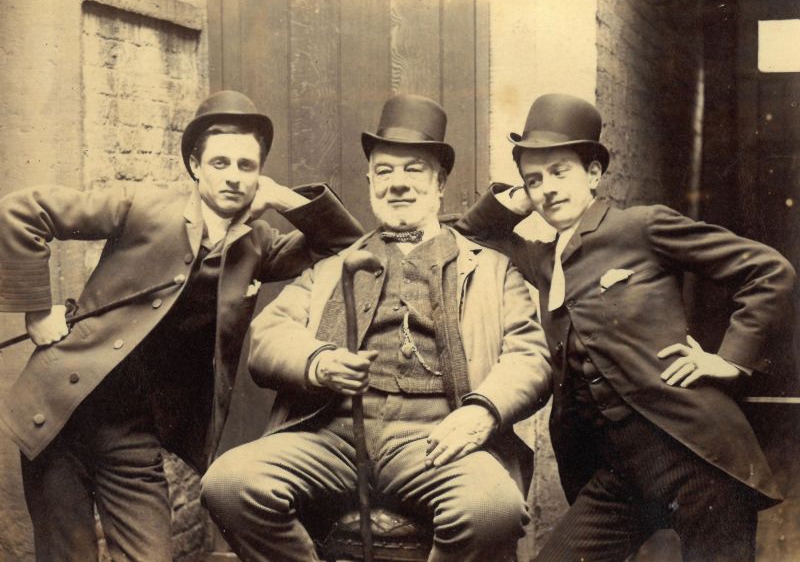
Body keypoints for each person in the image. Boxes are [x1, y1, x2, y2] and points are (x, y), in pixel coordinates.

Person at [0, 90, 364, 562]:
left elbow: (349, 246)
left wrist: (284, 200)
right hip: (60, 414)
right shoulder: (144, 205)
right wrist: (37, 309)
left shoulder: (258, 244)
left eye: (246, 166)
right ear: (195, 165)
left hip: (132, 437)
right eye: (220, 163)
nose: (233, 177)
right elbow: (23, 211)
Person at [200, 94, 553, 562]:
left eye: (413, 170)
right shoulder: (332, 265)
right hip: (329, 438)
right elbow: (269, 337)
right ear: (370, 182)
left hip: (436, 442)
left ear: (440, 183)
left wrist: (483, 411)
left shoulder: (488, 268)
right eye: (384, 171)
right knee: (228, 484)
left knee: (491, 507)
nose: (398, 184)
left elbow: (529, 357)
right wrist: (318, 363)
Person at [455, 93, 797, 561]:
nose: (548, 189)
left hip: (694, 454)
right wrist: (515, 199)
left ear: (594, 175)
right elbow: (470, 235)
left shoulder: (640, 227)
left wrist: (730, 360)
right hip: (616, 473)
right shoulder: (540, 259)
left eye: (560, 172)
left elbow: (768, 270)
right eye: (535, 180)